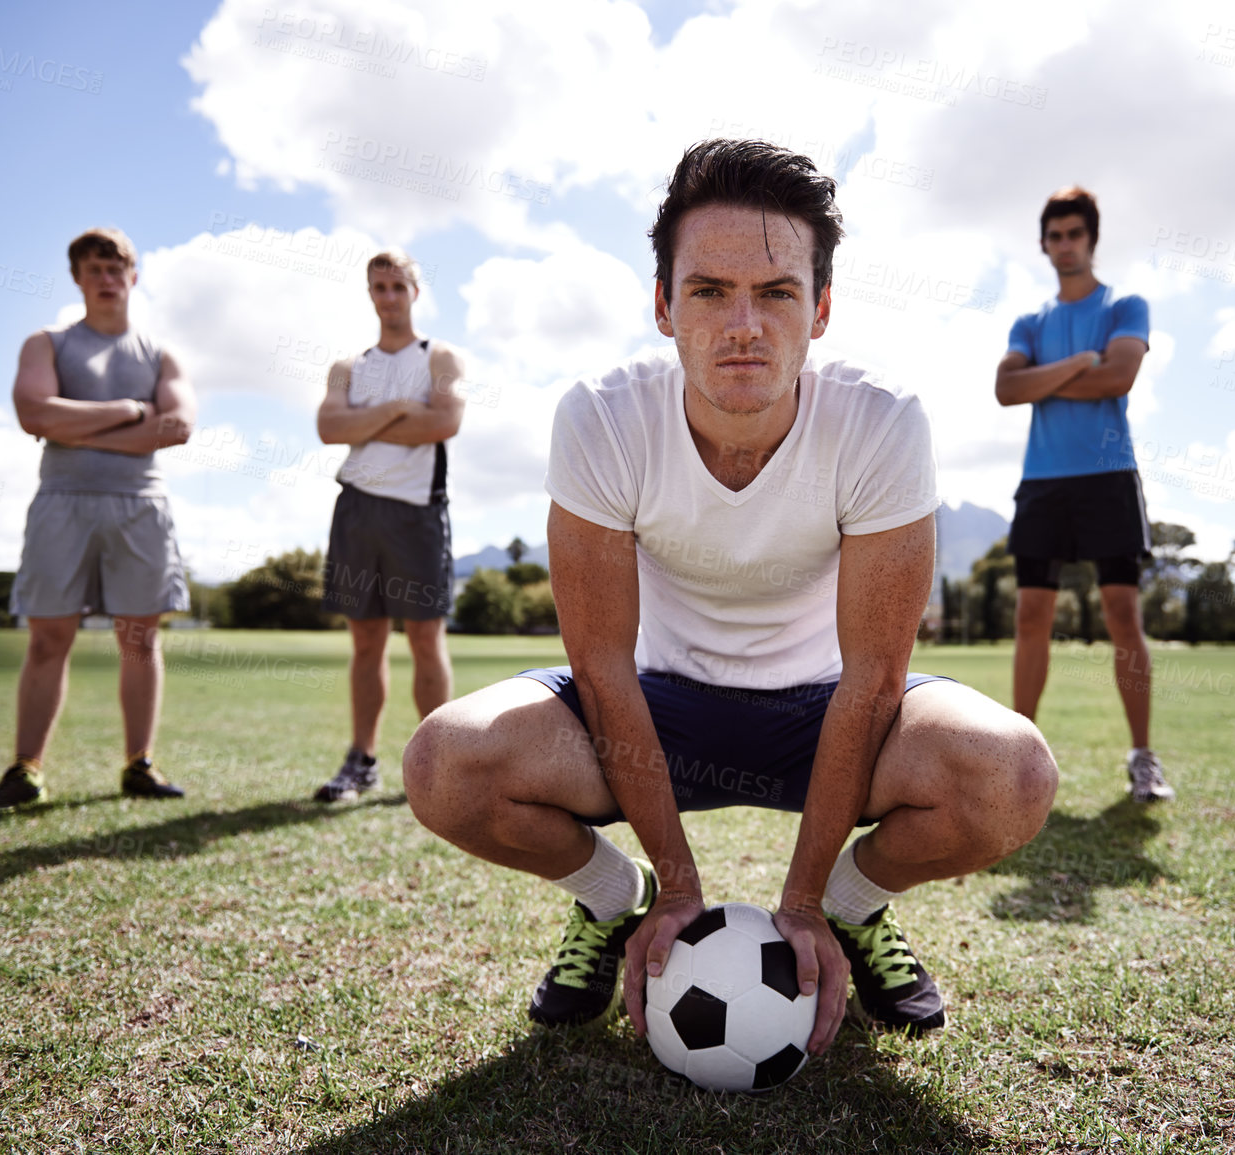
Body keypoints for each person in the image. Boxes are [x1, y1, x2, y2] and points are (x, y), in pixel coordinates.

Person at [402, 140, 1058, 1059]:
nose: (742, 324)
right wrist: (672, 885)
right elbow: (598, 664)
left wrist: (802, 901)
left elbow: (873, 676)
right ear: (664, 305)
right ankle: (610, 899)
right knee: (445, 762)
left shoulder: (880, 422)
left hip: (828, 710)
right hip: (652, 706)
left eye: (776, 292)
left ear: (820, 308)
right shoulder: (601, 416)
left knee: (1011, 773)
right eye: (708, 290)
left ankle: (851, 910)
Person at [0, 228, 196, 816]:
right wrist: (125, 412)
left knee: (140, 639)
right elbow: (33, 412)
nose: (106, 277)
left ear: (134, 276)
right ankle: (26, 770)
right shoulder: (47, 343)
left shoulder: (161, 354)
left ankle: (139, 764)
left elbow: (177, 427)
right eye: (94, 268)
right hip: (61, 502)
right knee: (48, 639)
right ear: (77, 278)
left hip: (141, 505)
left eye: (117, 267)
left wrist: (72, 424)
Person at [993, 188, 1172, 803]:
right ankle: (1021, 755)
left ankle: (1144, 758)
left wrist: (1045, 377)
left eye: (1075, 233)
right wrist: (1076, 367)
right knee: (1030, 616)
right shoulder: (1029, 322)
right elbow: (1006, 389)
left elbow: (1119, 376)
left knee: (1123, 613)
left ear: (1091, 239)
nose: (1065, 244)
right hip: (1043, 481)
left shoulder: (1126, 303)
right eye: (1055, 235)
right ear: (1044, 244)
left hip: (1108, 477)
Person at [311, 249, 465, 803]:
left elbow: (443, 421)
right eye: (379, 287)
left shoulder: (439, 356)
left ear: (415, 292)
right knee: (366, 642)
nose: (389, 296)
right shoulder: (350, 367)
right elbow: (329, 427)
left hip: (417, 512)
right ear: (370, 294)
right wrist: (401, 409)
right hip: (357, 510)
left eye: (398, 286)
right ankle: (362, 761)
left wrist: (366, 424)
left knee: (425, 637)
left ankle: (444, 761)